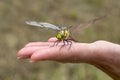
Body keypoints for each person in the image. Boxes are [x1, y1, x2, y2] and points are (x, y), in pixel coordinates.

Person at [17, 37, 120, 80]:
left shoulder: (67, 38)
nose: (59, 36)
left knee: (68, 43)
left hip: (70, 40)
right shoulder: (60, 37)